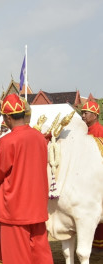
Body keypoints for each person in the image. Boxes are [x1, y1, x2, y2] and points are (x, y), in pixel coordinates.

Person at [0, 94, 53, 264]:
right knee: (40, 252)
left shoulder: (7, 141)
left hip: (15, 207)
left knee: (17, 256)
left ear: (7, 118)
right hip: (37, 205)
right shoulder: (40, 138)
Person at [81, 100, 103, 251]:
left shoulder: (100, 131)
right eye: (82, 112)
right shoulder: (83, 131)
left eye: (85, 113)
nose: (82, 115)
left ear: (95, 115)